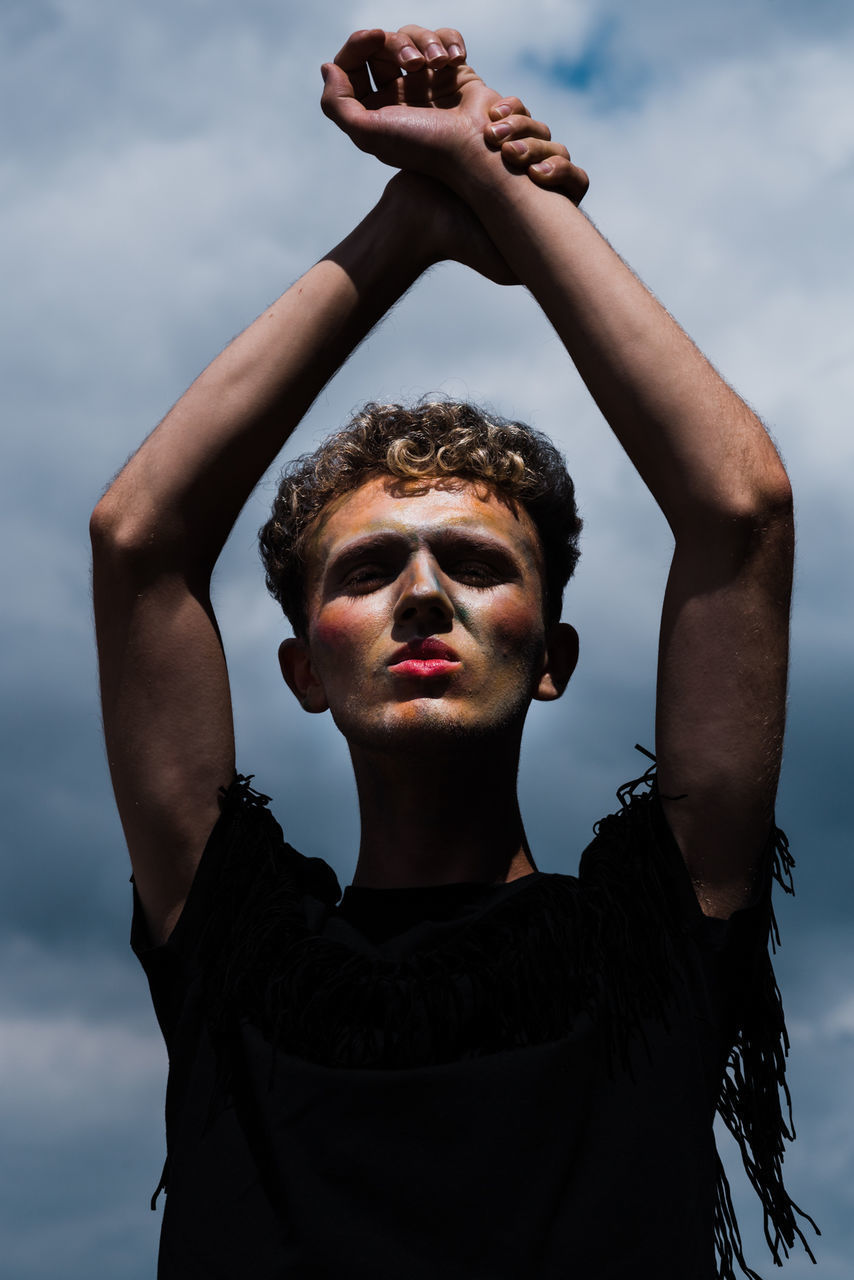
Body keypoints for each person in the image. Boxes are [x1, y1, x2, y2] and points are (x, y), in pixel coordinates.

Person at [90, 23, 817, 1280]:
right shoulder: (239, 945)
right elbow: (137, 537)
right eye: (367, 570)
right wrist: (406, 225)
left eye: (476, 564)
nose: (423, 591)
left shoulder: (649, 939)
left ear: (552, 656)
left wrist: (496, 188)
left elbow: (738, 511)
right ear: (302, 670)